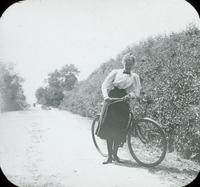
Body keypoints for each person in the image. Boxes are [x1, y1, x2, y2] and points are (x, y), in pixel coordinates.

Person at [96, 53, 141, 164]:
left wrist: (129, 96)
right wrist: (106, 97)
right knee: (110, 128)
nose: (128, 65)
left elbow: (137, 92)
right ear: (123, 62)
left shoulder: (135, 76)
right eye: (126, 62)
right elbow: (105, 85)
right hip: (112, 99)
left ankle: (115, 154)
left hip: (124, 100)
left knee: (120, 129)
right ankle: (109, 157)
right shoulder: (115, 72)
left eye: (130, 63)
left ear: (133, 64)